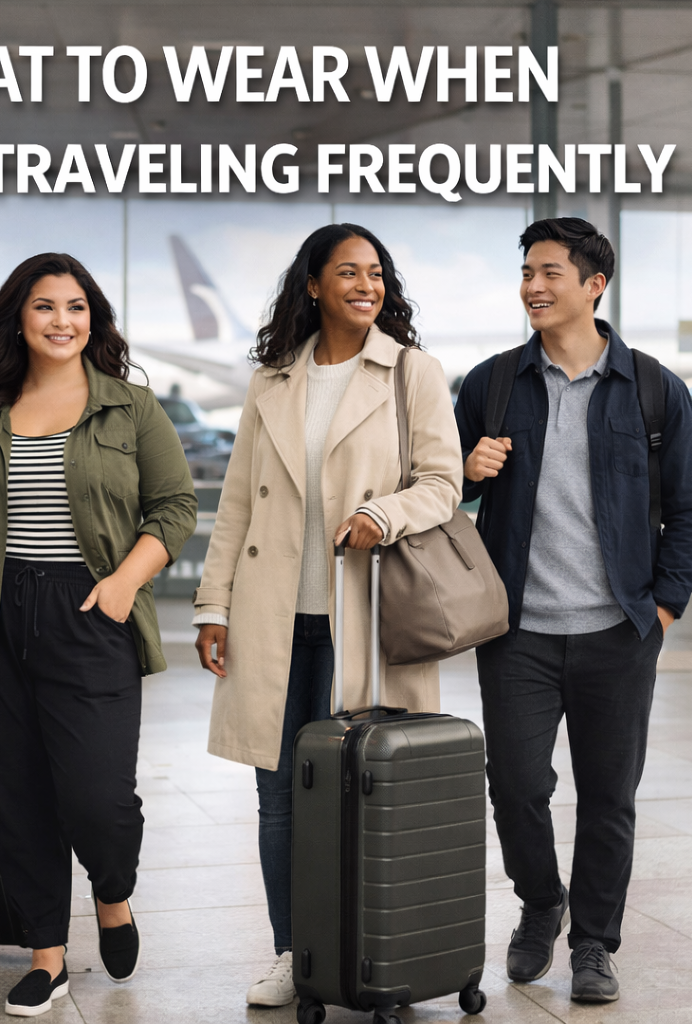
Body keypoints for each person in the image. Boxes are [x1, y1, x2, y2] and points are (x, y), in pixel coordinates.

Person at [0, 253, 196, 1017]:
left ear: (93, 318)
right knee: (18, 796)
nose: (62, 321)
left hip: (88, 610)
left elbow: (173, 509)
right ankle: (46, 955)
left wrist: (123, 583)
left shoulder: (130, 409)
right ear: (19, 317)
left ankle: (112, 891)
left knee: (97, 800)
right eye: (45, 307)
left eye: (76, 307)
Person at [193, 223, 464, 1007]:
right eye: (347, 272)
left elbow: (444, 484)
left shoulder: (411, 372)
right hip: (276, 621)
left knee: (372, 790)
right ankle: (295, 952)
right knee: (279, 797)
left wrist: (384, 512)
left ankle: (385, 944)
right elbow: (237, 504)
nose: (365, 285)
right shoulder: (272, 380)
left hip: (367, 624)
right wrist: (213, 607)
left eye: (375, 272)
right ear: (312, 284)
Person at [454, 217, 692, 1003]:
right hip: (518, 631)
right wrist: (468, 469)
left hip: (617, 633)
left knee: (608, 798)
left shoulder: (654, 389)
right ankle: (541, 905)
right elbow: (440, 491)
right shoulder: (492, 384)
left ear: (595, 285)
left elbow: (690, 511)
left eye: (550, 272)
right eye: (527, 271)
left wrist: (662, 610)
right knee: (518, 786)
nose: (533, 286)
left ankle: (595, 942)